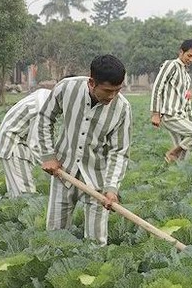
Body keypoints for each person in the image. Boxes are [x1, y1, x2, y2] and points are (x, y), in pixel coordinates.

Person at [39, 55, 132, 245]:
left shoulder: (122, 108)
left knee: (96, 242)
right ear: (92, 82)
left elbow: (119, 151)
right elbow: (45, 117)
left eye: (118, 90)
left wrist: (112, 188)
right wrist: (48, 155)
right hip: (63, 172)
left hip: (98, 179)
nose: (112, 96)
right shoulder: (66, 88)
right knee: (55, 236)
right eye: (107, 90)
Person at [150, 39, 192, 163]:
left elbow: (186, 102)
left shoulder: (186, 76)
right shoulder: (171, 65)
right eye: (189, 55)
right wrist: (155, 113)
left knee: (183, 155)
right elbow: (158, 86)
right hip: (170, 115)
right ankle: (172, 153)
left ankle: (169, 171)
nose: (191, 59)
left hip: (181, 116)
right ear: (181, 52)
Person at [0, 86, 52, 197]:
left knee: (17, 192)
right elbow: (35, 144)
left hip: (17, 142)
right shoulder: (44, 107)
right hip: (13, 145)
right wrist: (50, 164)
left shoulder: (48, 95)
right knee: (26, 194)